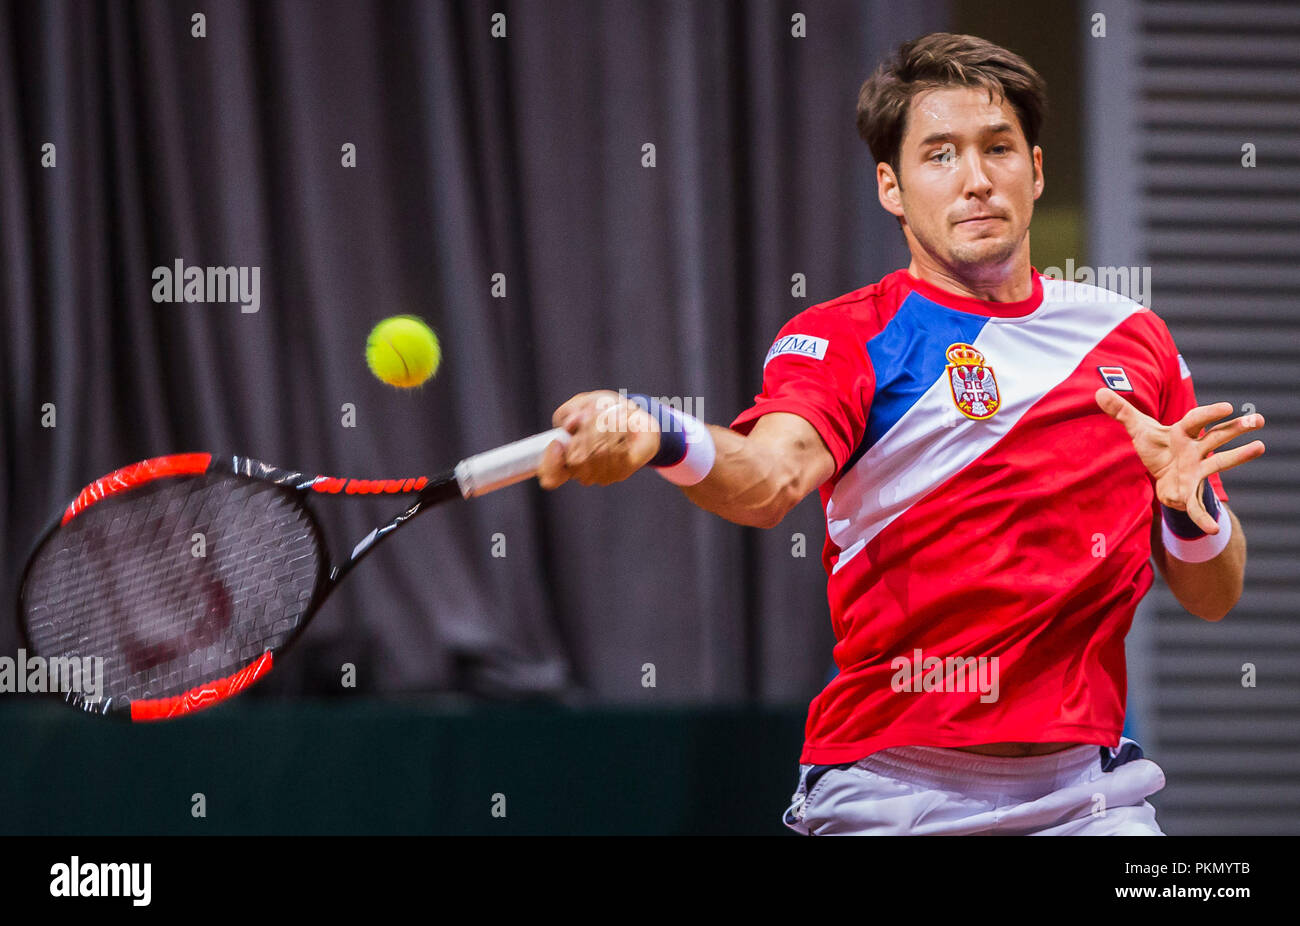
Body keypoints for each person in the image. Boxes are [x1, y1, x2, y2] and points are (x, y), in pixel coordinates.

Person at [535, 32, 1266, 835]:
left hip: (1087, 796)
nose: (977, 180)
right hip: (891, 788)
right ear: (892, 185)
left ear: (1038, 169)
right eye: (940, 155)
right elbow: (768, 478)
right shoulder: (849, 338)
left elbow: (1214, 592)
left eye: (999, 149)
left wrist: (1188, 511)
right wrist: (662, 432)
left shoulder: (1134, 339)